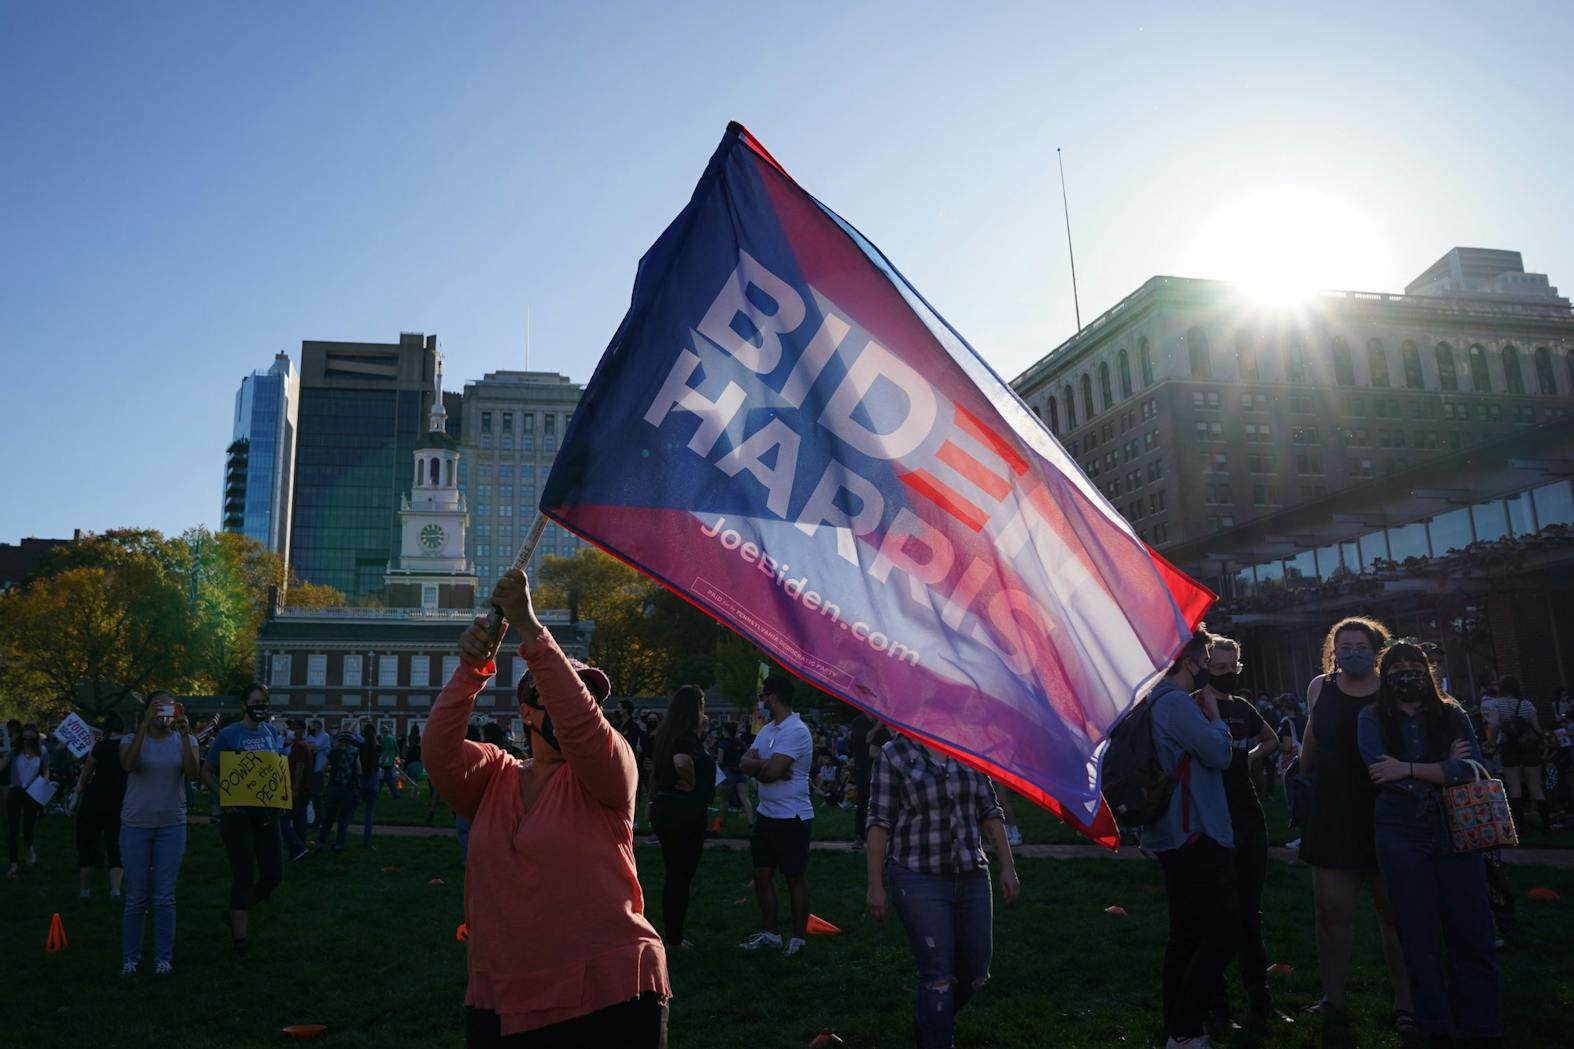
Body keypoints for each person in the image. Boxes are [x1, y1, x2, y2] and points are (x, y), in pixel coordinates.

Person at [431, 569, 669, 1046]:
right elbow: (439, 751)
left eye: (585, 698)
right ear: (524, 712)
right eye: (550, 697)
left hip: (611, 996)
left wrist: (531, 630)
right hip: (502, 996)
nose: (567, 708)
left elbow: (579, 723)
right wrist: (470, 670)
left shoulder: (609, 768)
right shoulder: (496, 774)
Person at [1358, 641, 1503, 1043]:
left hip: (1457, 827)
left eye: (1414, 663)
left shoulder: (1451, 713)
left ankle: (1483, 1026)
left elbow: (1471, 768)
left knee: (1471, 932)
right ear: (1384, 674)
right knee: (1418, 935)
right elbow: (1377, 770)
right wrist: (1441, 768)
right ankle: (1434, 1027)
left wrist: (1405, 767)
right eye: (1397, 665)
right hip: (1400, 831)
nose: (1406, 671)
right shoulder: (1371, 717)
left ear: (1427, 670)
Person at [864, 731, 1020, 1049]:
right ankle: (936, 1037)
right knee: (937, 975)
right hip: (917, 876)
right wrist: (875, 884)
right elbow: (879, 821)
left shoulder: (967, 745)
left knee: (976, 970)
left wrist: (1008, 866)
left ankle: (929, 1020)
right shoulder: (894, 754)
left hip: (971, 874)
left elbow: (990, 811)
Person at [1299, 616, 1413, 1033]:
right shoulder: (1320, 687)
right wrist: (1300, 772)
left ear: (1377, 649)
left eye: (1360, 645)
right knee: (1330, 914)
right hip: (1332, 811)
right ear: (1334, 649)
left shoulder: (1393, 689)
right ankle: (1333, 999)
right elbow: (1314, 733)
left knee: (1395, 916)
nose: (1352, 652)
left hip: (1389, 811)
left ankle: (1406, 1002)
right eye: (1344, 645)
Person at [1138, 627, 1236, 1049]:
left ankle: (1175, 1022)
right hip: (1194, 829)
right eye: (1205, 659)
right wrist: (1216, 719)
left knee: (1187, 932)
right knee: (1221, 931)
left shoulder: (1153, 699)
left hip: (1172, 831)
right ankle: (1186, 1027)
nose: (1207, 669)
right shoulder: (1176, 702)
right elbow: (1218, 754)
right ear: (1190, 661)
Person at [1200, 637, 1291, 1027]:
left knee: (1250, 912)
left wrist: (1248, 758)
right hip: (1209, 815)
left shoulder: (1242, 708)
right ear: (1205, 666)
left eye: (1231, 667)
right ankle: (1216, 1003)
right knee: (1215, 912)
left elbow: (1272, 739)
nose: (1225, 674)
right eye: (1217, 667)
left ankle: (1259, 998)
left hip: (1247, 812)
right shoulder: (1193, 706)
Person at [201, 683, 287, 958]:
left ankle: (236, 910)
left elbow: (273, 770)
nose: (261, 705)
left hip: (267, 813)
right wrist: (226, 797)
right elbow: (206, 772)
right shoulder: (229, 735)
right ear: (243, 704)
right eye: (256, 700)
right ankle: (240, 939)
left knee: (274, 873)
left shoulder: (271, 732)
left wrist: (280, 798)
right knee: (243, 873)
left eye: (265, 700)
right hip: (237, 815)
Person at [118, 693, 200, 975]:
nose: (163, 713)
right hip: (136, 825)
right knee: (136, 896)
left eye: (169, 707)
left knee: (164, 896)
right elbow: (128, 765)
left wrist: (187, 734)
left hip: (171, 826)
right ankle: (131, 958)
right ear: (147, 710)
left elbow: (192, 773)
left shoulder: (184, 740)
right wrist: (144, 726)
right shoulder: (130, 739)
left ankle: (163, 959)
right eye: (158, 707)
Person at [738, 675, 815, 957]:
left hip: (792, 816)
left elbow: (769, 774)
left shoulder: (796, 730)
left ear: (774, 697)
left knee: (794, 877)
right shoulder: (768, 729)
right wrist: (767, 766)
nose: (762, 701)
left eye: (764, 696)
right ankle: (770, 934)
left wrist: (766, 768)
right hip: (765, 815)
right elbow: (745, 763)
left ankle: (798, 937)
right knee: (761, 875)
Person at [649, 684, 715, 949]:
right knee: (680, 876)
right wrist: (690, 780)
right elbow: (681, 761)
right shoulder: (685, 738)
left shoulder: (668, 734)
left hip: (667, 808)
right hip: (684, 812)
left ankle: (672, 933)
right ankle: (674, 938)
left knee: (673, 874)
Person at [1482, 675, 1550, 830]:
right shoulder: (1527, 704)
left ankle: (1520, 827)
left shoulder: (1496, 704)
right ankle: (1546, 825)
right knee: (1536, 787)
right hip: (1528, 748)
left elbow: (1494, 726)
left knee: (1514, 788)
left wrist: (1490, 743)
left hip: (1509, 747)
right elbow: (1537, 728)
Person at [73, 712, 129, 899]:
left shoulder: (100, 746)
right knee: (115, 845)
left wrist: (79, 788)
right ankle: (115, 889)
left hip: (94, 800)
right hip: (119, 801)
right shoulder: (129, 746)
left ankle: (84, 890)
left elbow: (87, 773)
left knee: (87, 845)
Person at [3, 721, 47, 877]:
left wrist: (44, 782)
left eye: (31, 736)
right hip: (15, 792)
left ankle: (29, 847)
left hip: (32, 793)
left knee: (28, 828)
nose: (27, 739)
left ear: (35, 737)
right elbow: (2, 765)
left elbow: (45, 770)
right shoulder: (14, 752)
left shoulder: (42, 752)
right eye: (25, 736)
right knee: (13, 828)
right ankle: (13, 863)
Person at [316, 731, 361, 851]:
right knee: (343, 819)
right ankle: (339, 844)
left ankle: (321, 843)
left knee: (328, 818)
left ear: (339, 741)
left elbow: (322, 769)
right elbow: (359, 770)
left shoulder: (333, 752)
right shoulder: (355, 752)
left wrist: (329, 774)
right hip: (348, 789)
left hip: (333, 788)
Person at [279, 720, 314, 861]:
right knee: (299, 820)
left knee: (282, 821)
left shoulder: (299, 746)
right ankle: (301, 849)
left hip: (298, 789)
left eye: (294, 728)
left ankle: (297, 847)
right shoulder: (304, 745)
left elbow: (299, 769)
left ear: (301, 729)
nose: (291, 731)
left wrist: (294, 789)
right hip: (305, 789)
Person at [714, 722, 753, 832]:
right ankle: (751, 823)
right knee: (745, 798)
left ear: (725, 731)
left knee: (724, 799)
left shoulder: (723, 743)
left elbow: (721, 760)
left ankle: (722, 822)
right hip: (741, 772)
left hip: (728, 772)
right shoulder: (742, 743)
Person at [355, 722, 383, 848]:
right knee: (369, 814)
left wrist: (358, 720)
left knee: (351, 808)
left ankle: (342, 833)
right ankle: (366, 842)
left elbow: (349, 734)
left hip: (361, 780)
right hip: (373, 781)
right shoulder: (378, 748)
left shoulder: (361, 746)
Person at [304, 718, 331, 828]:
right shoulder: (310, 737)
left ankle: (320, 820)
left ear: (317, 726)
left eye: (311, 726)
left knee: (318, 796)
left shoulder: (325, 736)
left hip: (318, 770)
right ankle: (313, 819)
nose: (310, 728)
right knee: (310, 795)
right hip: (310, 770)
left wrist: (308, 746)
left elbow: (313, 747)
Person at [377, 727, 403, 799]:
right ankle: (376, 793)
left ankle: (396, 795)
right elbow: (397, 750)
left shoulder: (386, 739)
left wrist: (381, 761)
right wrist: (396, 759)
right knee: (382, 778)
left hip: (386, 762)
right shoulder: (392, 738)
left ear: (383, 731)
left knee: (388, 779)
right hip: (390, 762)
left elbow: (385, 751)